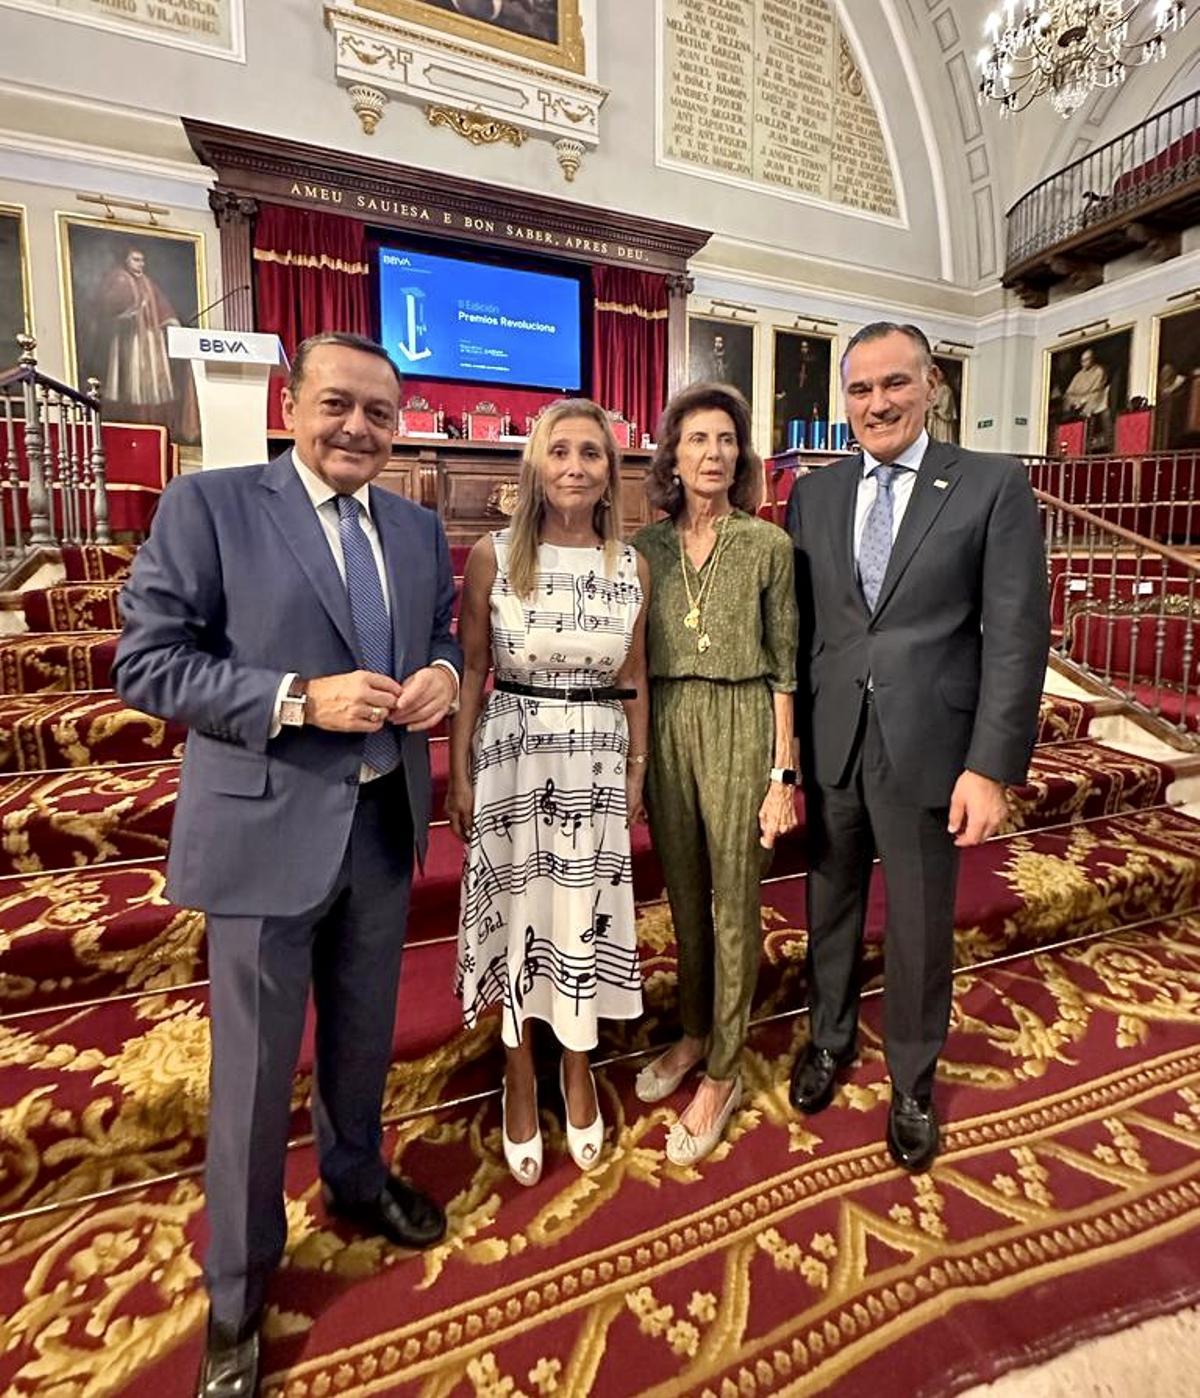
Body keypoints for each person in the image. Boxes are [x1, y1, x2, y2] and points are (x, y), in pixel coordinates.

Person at [112, 332, 462, 1397]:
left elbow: (441, 627)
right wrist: (296, 699)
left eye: (378, 411)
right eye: (336, 405)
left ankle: (356, 1180)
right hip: (266, 829)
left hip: (379, 828)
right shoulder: (212, 506)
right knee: (255, 1076)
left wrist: (444, 671)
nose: (357, 427)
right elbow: (147, 662)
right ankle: (239, 1286)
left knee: (364, 1038)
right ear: (291, 403)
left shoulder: (411, 524)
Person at [786, 322, 1048, 1172]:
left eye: (894, 384)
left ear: (931, 384)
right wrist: (784, 759)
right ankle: (828, 1039)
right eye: (860, 390)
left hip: (931, 746)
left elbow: (1015, 635)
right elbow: (803, 634)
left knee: (921, 926)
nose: (877, 404)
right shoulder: (814, 496)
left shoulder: (990, 485)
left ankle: (911, 1080)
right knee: (829, 907)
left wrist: (992, 765)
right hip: (834, 740)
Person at [448, 400, 649, 1184]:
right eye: (558, 451)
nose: (573, 465)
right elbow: (471, 671)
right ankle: (519, 1072)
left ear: (609, 474)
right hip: (515, 758)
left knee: (579, 919)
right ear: (536, 464)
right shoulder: (494, 557)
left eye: (590, 454)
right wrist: (461, 771)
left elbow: (636, 679)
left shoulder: (632, 566)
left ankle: (578, 1066)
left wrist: (638, 769)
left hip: (596, 762)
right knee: (518, 922)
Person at [632, 383, 798, 1165]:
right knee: (684, 896)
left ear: (742, 454)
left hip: (740, 723)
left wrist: (782, 773)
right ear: (673, 455)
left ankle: (726, 1069)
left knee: (735, 900)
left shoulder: (769, 547)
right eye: (697, 439)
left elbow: (786, 672)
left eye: (726, 439)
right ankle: (696, 1032)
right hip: (667, 723)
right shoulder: (645, 549)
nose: (712, 453)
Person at [93, 245, 198, 441]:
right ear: (127, 261)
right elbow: (108, 306)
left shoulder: (147, 282)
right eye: (135, 259)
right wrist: (128, 312)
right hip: (130, 339)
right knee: (132, 380)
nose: (140, 264)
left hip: (150, 338)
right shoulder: (119, 279)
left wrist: (172, 322)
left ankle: (152, 420)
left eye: (142, 260)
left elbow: (162, 306)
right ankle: (134, 421)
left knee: (152, 385)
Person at [1062, 346, 1111, 453]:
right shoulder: (1079, 375)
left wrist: (1083, 401)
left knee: (1089, 409)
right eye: (1082, 361)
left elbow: (1097, 390)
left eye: (1086, 360)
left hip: (1094, 399)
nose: (1084, 363)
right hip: (1077, 401)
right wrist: (1075, 401)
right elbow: (1069, 392)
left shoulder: (1099, 371)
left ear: (1092, 359)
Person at [925, 368, 958, 444]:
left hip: (942, 419)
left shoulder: (946, 389)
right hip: (933, 418)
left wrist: (938, 409)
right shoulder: (933, 389)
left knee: (942, 437)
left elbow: (946, 404)